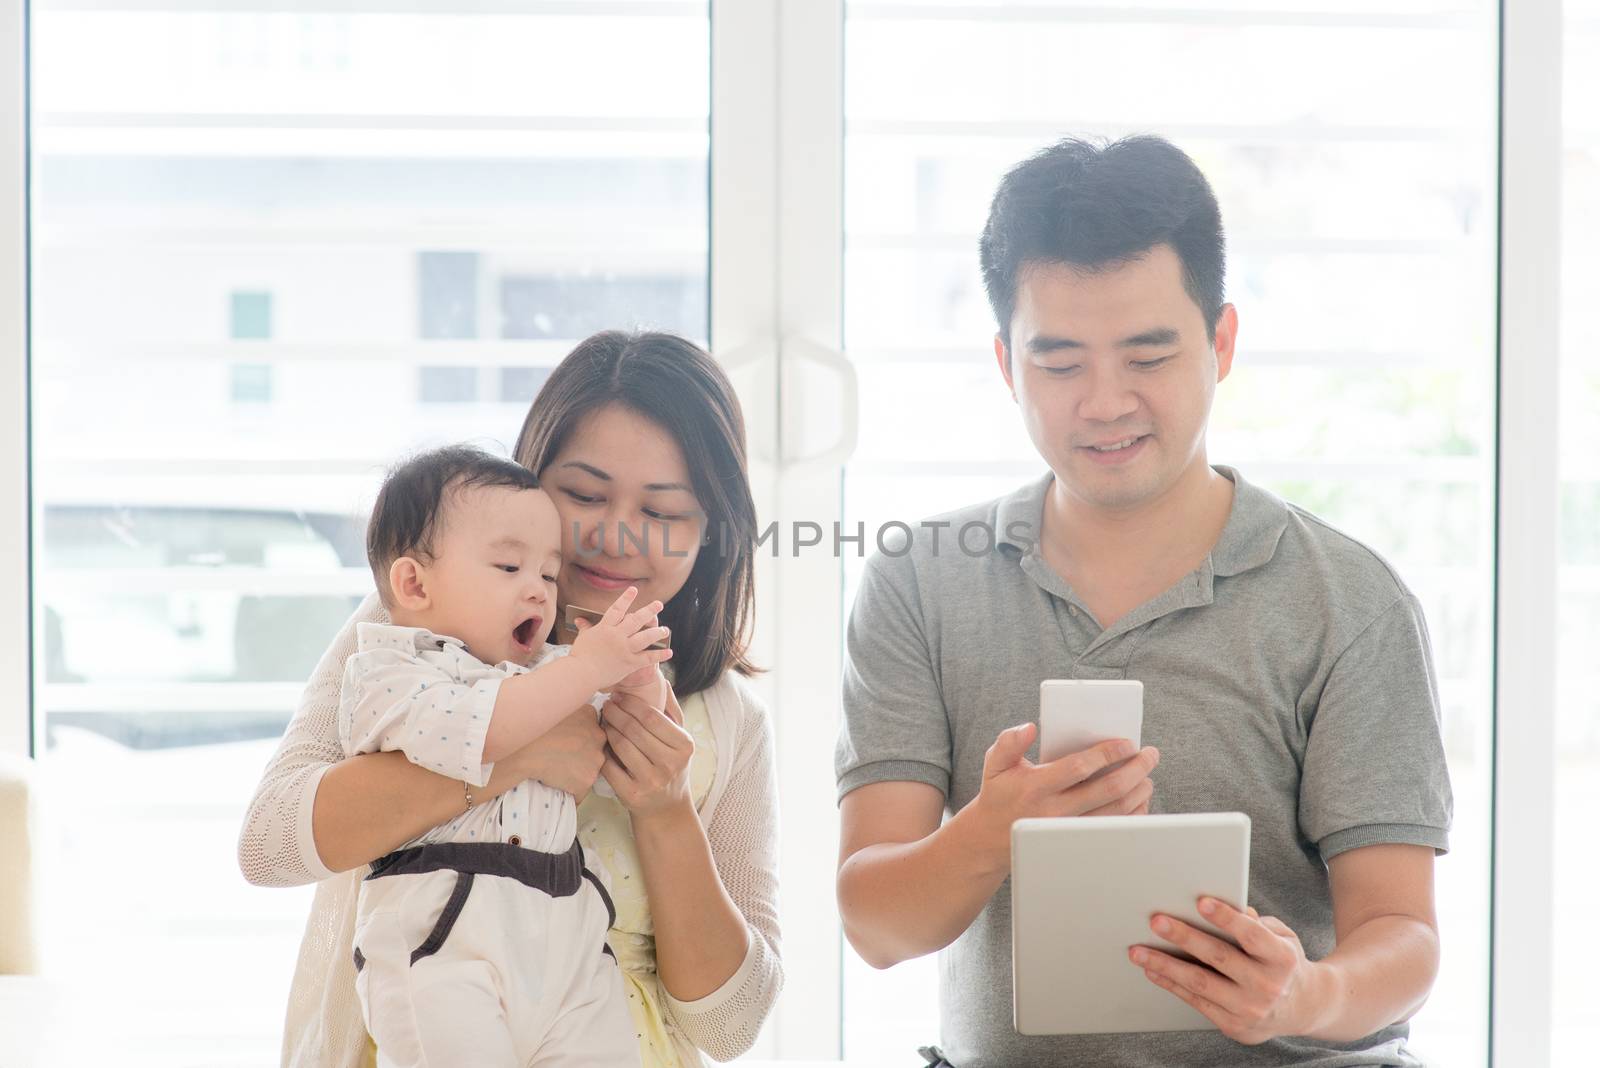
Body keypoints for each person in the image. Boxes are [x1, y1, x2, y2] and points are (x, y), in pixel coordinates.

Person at [835, 136, 1452, 1068]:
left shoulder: (1348, 599)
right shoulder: (919, 581)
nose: (1105, 402)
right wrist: (991, 831)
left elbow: (1403, 933)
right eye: (1060, 362)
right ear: (1007, 365)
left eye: (1148, 355)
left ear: (1223, 343)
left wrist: (1306, 992)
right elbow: (875, 926)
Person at [239, 331, 782, 1068]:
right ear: (529, 483)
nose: (614, 533)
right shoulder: (415, 627)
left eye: (663, 513)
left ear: (712, 533)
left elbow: (730, 1028)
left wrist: (665, 810)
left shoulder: (726, 718)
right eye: (584, 495)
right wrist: (508, 750)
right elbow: (269, 845)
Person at [339, 445, 671, 1067]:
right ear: (414, 584)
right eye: (509, 566)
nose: (540, 592)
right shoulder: (392, 670)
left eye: (549, 574)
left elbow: (634, 732)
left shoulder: (548, 669)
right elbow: (482, 735)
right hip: (444, 936)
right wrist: (588, 666)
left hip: (566, 940)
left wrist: (637, 674)